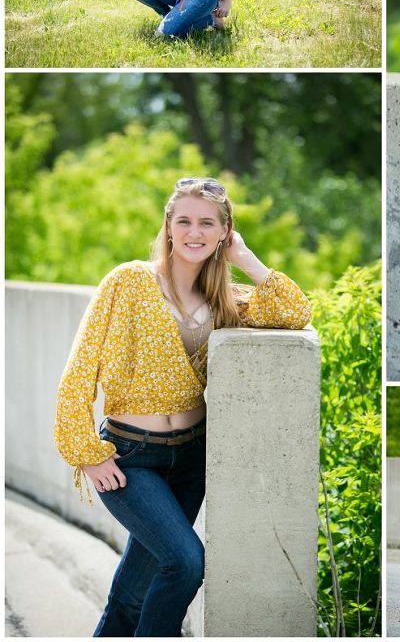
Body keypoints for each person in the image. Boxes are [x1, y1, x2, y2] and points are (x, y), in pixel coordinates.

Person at [53, 178, 312, 637]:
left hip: (192, 458)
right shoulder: (129, 282)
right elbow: (79, 370)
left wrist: (244, 258)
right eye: (185, 221)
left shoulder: (225, 301)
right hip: (130, 457)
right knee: (186, 563)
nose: (195, 232)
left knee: (133, 593)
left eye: (207, 223)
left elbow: (295, 312)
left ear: (224, 231)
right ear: (169, 226)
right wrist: (86, 454)